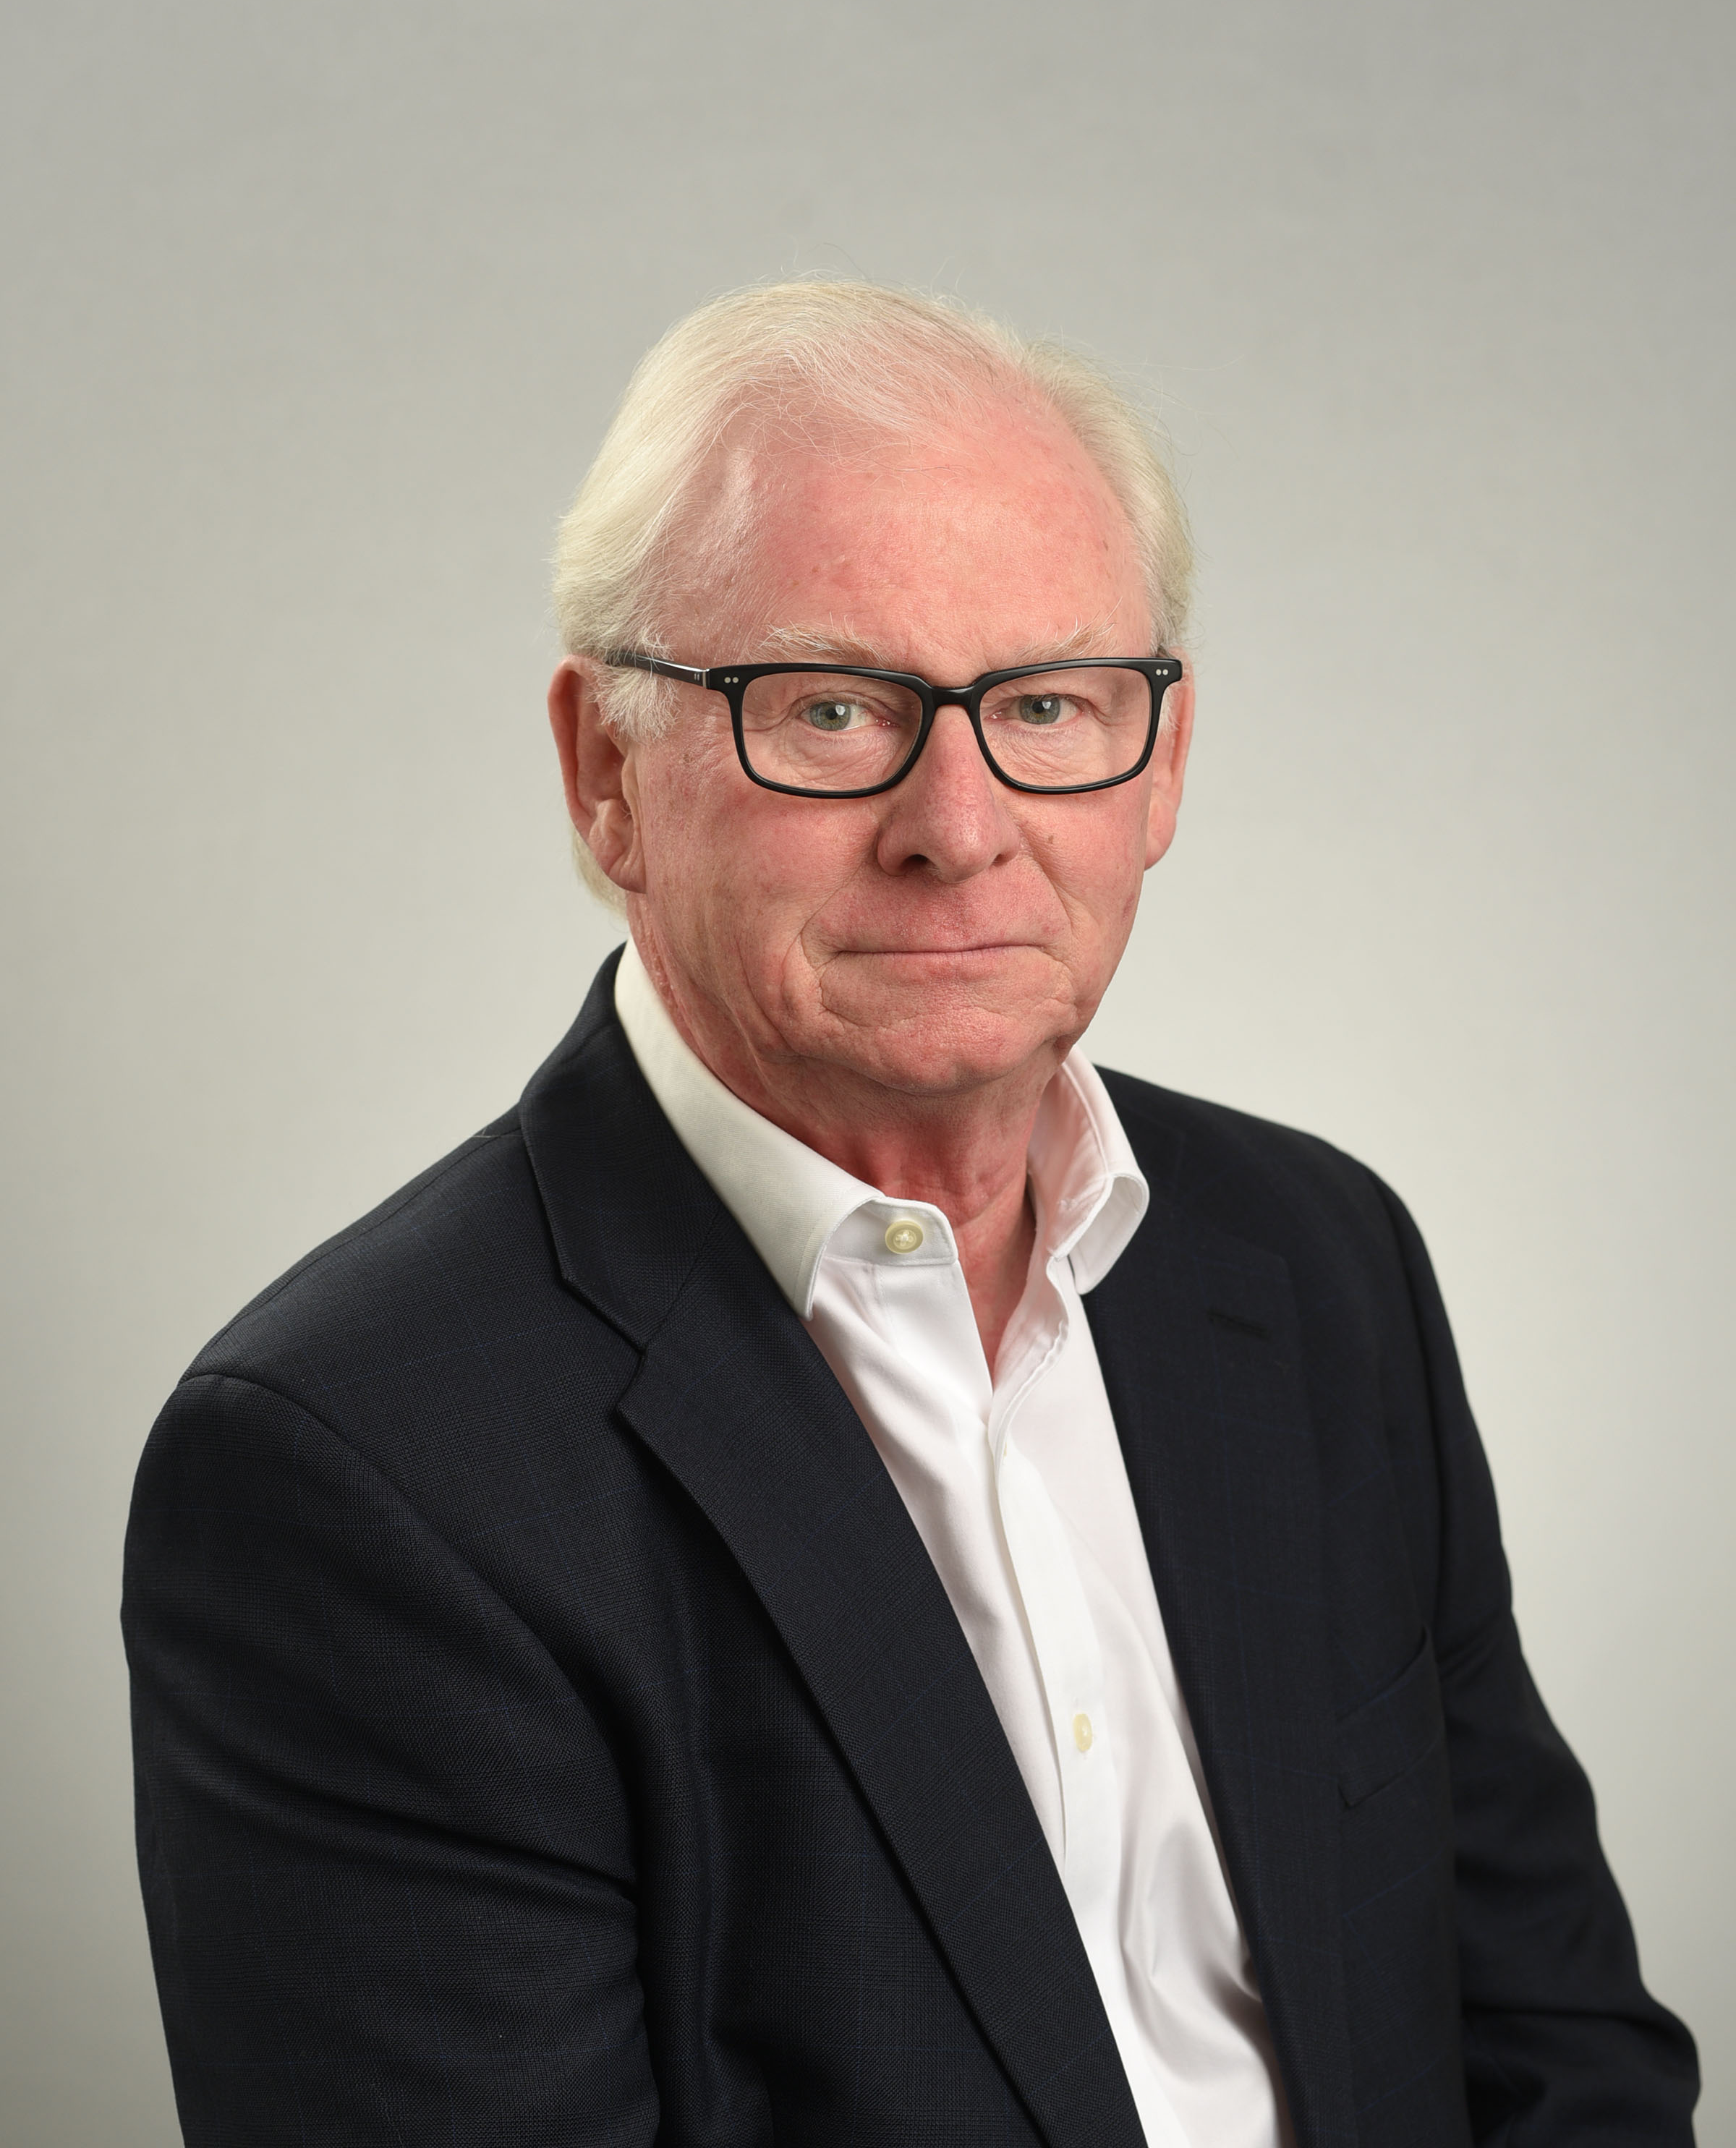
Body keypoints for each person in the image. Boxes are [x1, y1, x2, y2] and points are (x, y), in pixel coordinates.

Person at [122, 281, 1697, 2148]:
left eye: (1047, 701)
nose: (960, 820)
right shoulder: (359, 1476)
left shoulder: (1320, 1267)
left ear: (1163, 762)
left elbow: (1563, 2063)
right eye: (835, 707)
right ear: (607, 775)